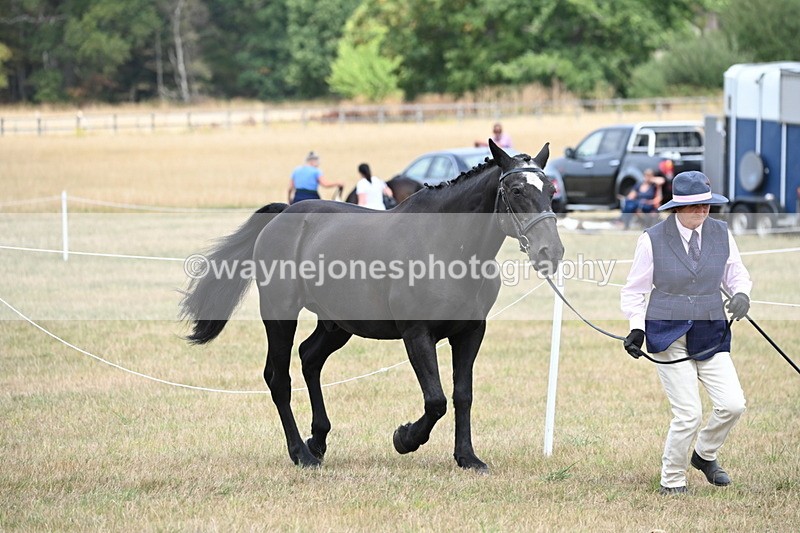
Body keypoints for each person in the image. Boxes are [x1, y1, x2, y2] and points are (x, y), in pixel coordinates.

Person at [620, 170, 752, 496]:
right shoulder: (651, 239)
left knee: (733, 404)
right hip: (668, 334)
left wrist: (741, 294)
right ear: (677, 208)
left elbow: (736, 274)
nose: (703, 211)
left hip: (711, 333)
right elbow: (633, 291)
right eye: (695, 206)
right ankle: (672, 480)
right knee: (689, 414)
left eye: (707, 205)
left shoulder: (722, 234)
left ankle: (705, 455)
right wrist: (637, 328)